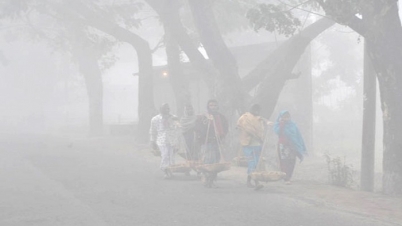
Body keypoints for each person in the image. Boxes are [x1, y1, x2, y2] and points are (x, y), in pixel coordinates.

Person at [237, 104, 271, 190]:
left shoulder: (260, 119)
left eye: (258, 110)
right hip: (247, 144)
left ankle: (249, 180)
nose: (256, 111)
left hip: (257, 144)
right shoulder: (245, 118)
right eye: (254, 109)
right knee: (252, 163)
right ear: (251, 109)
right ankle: (256, 182)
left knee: (256, 164)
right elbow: (240, 126)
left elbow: (263, 127)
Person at [195, 99, 228, 188]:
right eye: (211, 105)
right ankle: (205, 177)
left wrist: (221, 136)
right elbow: (198, 129)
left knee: (215, 162)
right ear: (208, 107)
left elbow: (225, 128)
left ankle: (211, 179)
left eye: (214, 105)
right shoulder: (203, 117)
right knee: (207, 161)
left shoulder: (221, 117)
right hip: (206, 142)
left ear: (217, 106)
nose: (213, 107)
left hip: (217, 142)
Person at [273, 110, 306, 185]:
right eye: (284, 117)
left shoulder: (293, 125)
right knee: (284, 161)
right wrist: (282, 124)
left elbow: (297, 136)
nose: (286, 118)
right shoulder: (278, 124)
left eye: (287, 117)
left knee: (292, 161)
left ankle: (289, 176)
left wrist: (298, 145)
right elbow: (278, 132)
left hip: (292, 146)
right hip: (283, 146)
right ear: (281, 117)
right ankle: (285, 177)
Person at [150, 103, 180, 179]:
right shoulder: (155, 119)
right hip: (161, 140)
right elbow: (153, 131)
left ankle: (170, 171)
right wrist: (152, 141)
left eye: (167, 108)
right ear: (160, 109)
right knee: (165, 154)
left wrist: (178, 140)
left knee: (171, 156)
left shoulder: (174, 117)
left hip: (172, 139)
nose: (166, 110)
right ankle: (165, 170)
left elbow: (178, 128)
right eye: (164, 108)